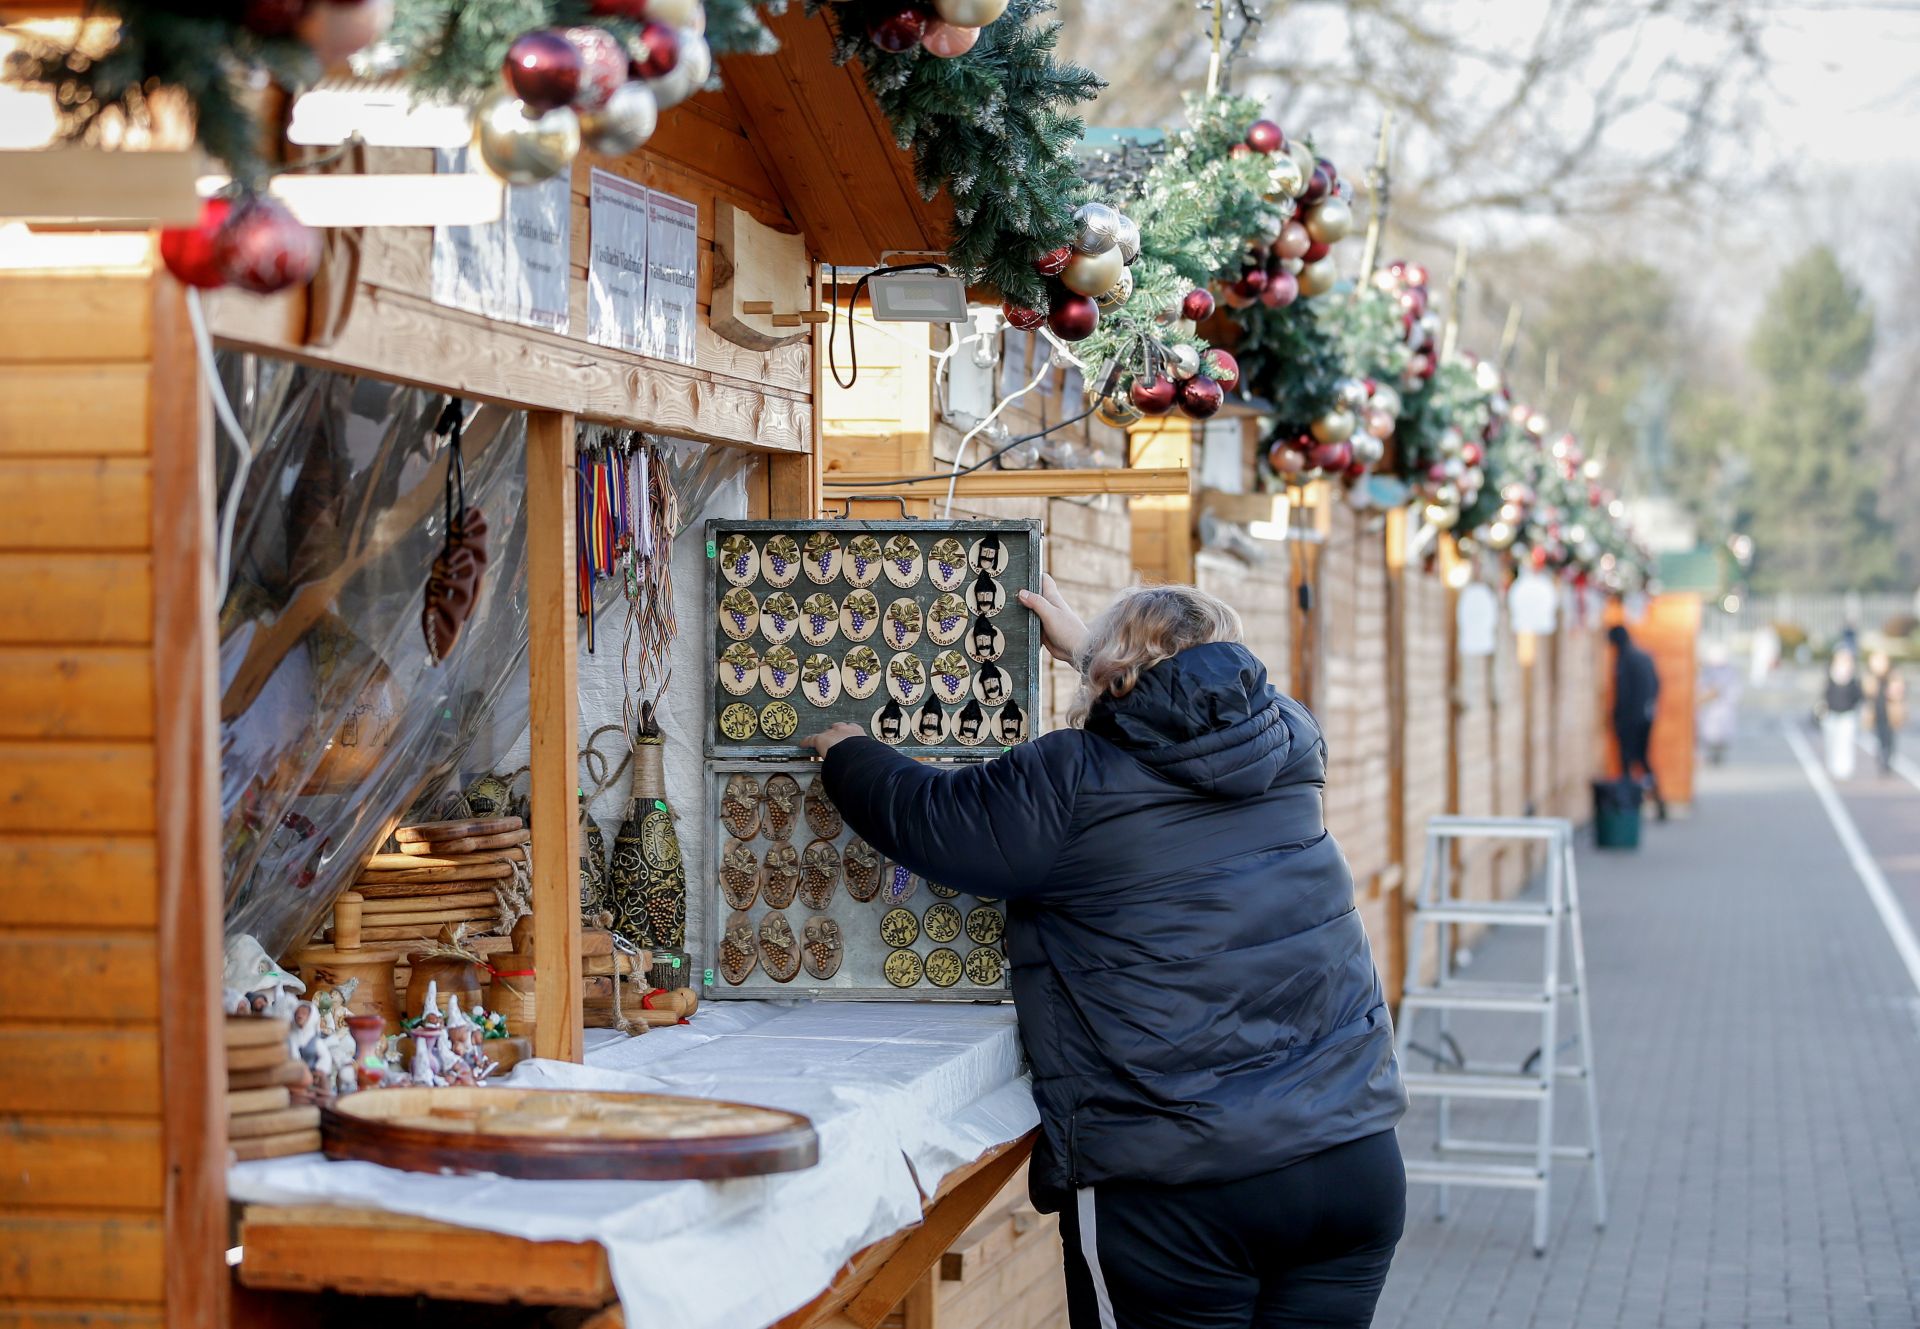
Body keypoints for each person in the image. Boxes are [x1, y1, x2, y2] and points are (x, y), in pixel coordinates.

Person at [802, 579, 1406, 1329]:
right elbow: (1185, 715)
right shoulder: (1288, 739)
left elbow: (936, 818)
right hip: (1351, 1159)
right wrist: (1092, 651)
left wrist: (849, 752)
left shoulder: (1070, 779)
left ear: (1115, 673)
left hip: (1180, 1186)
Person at [1609, 624, 1665, 818]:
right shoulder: (1644, 657)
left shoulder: (1625, 660)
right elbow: (1658, 685)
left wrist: (1616, 718)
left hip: (1630, 720)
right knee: (1643, 759)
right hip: (1646, 717)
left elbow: (1623, 694)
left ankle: (1629, 805)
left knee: (1627, 761)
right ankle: (1657, 799)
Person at [1822, 649, 1865, 780]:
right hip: (1832, 714)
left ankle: (1845, 770)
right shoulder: (1830, 676)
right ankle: (1833, 768)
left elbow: (1859, 697)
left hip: (1848, 715)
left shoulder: (1854, 680)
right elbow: (1825, 695)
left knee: (1846, 743)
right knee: (1832, 742)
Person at [1697, 642, 1742, 765]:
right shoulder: (1721, 670)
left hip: (1720, 709)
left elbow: (1714, 691)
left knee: (1714, 734)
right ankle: (1713, 756)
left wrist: (1698, 701)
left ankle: (1714, 756)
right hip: (1717, 709)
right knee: (1712, 734)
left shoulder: (1725, 672)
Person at [1864, 650, 1907, 776]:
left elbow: (1900, 691)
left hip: (1891, 711)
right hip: (1877, 712)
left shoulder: (1893, 675)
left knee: (1890, 738)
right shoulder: (1872, 677)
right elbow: (1867, 692)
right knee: (1880, 737)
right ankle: (1882, 758)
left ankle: (1887, 760)